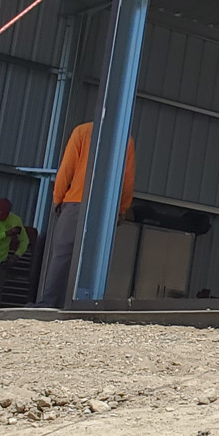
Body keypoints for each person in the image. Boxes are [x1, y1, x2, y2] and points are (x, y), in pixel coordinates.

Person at [35, 122, 136, 308]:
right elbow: (127, 179)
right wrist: (122, 209)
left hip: (75, 202)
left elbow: (67, 168)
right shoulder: (126, 140)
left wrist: (58, 198)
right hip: (105, 209)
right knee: (95, 259)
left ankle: (50, 304)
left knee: (62, 256)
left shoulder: (82, 131)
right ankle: (84, 305)